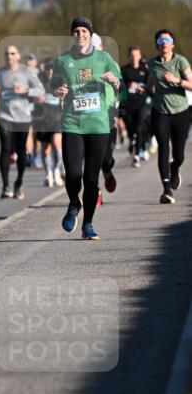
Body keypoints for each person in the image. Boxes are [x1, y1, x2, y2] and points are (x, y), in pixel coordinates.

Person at [52, 17, 121, 240]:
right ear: (72, 35)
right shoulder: (63, 60)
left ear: (90, 35)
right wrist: (57, 92)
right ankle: (74, 203)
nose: (80, 34)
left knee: (91, 180)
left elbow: (118, 81)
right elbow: (55, 85)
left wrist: (114, 81)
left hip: (98, 126)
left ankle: (88, 224)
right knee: (73, 174)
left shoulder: (104, 57)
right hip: (72, 123)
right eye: (76, 31)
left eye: (84, 31)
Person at [0, 45, 44, 199]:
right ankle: (6, 186)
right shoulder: (0, 72)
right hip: (5, 115)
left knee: (21, 152)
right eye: (7, 54)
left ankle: (19, 183)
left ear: (18, 56)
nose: (9, 56)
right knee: (5, 149)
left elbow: (40, 90)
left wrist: (25, 91)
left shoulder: (27, 72)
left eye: (13, 53)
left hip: (23, 116)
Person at [146, 29, 192, 203]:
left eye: (167, 39)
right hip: (160, 112)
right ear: (157, 44)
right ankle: (166, 190)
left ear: (173, 43)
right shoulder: (152, 64)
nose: (164, 42)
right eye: (160, 40)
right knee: (163, 149)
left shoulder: (181, 62)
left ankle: (175, 167)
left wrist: (177, 80)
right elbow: (151, 82)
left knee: (179, 154)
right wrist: (147, 88)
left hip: (180, 112)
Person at [92, 33, 119, 197]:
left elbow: (122, 88)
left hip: (108, 116)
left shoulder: (111, 63)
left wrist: (120, 109)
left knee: (106, 160)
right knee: (90, 158)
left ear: (102, 48)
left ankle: (107, 171)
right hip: (88, 117)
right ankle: (95, 191)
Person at [34, 57, 64, 188]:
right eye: (48, 69)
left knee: (57, 146)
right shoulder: (38, 81)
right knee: (45, 149)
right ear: (44, 69)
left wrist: (64, 101)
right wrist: (35, 98)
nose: (50, 71)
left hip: (57, 119)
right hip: (43, 120)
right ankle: (48, 174)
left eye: (53, 69)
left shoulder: (61, 81)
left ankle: (57, 171)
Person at [121, 46, 150, 168]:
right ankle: (132, 140)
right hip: (129, 104)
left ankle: (137, 155)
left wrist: (140, 87)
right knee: (130, 128)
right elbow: (119, 86)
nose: (134, 58)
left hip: (142, 104)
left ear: (140, 55)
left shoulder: (146, 70)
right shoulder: (124, 70)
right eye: (132, 55)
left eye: (136, 55)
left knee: (139, 127)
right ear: (129, 56)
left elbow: (150, 86)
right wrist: (128, 85)